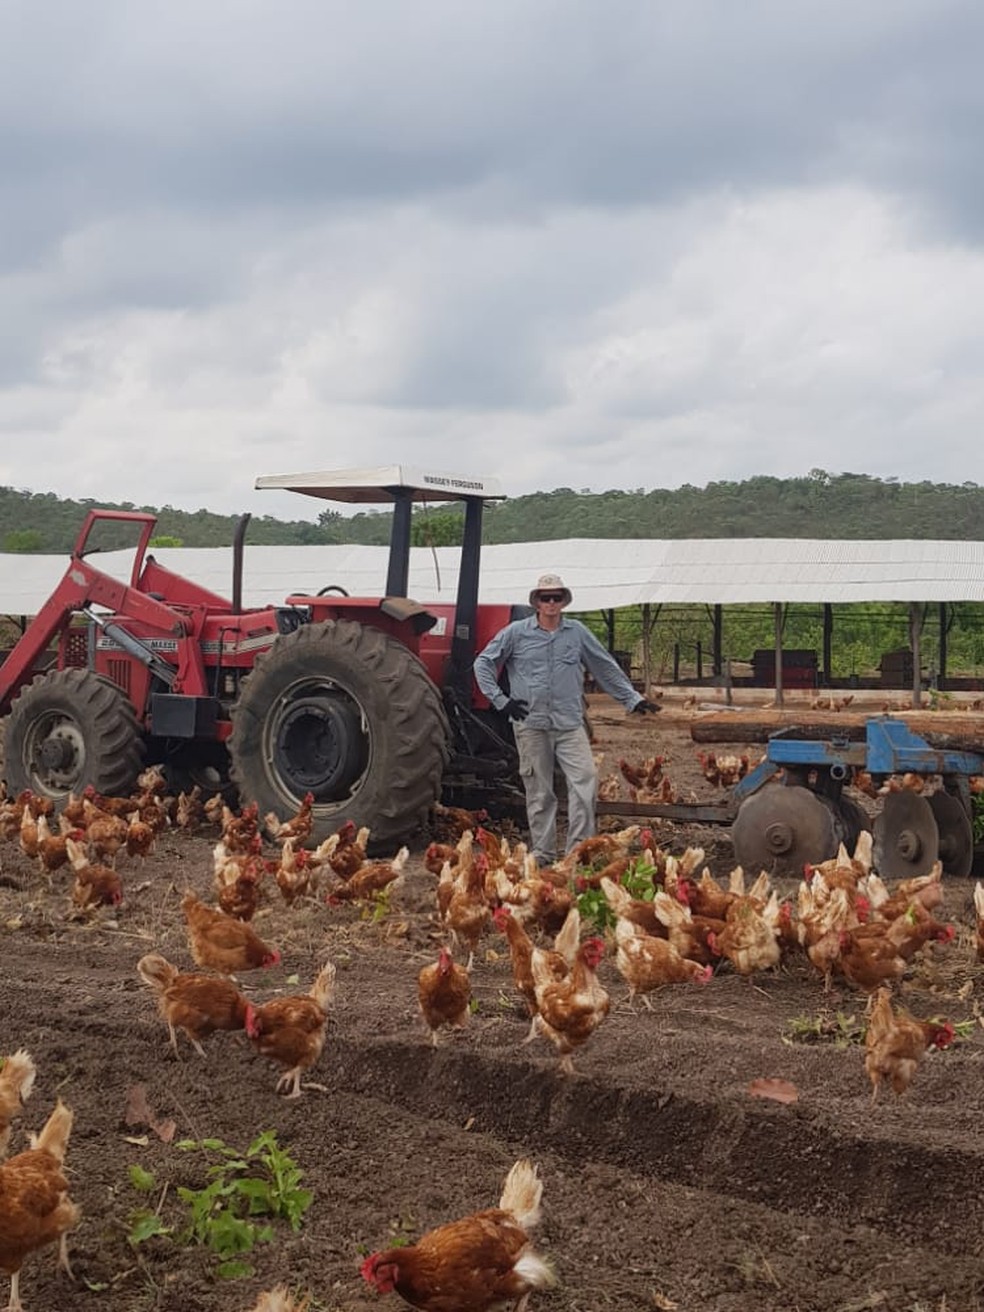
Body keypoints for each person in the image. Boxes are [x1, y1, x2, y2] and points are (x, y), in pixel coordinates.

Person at [472, 572, 660, 865]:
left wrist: (632, 699)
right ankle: (544, 856)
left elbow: (603, 665)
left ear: (563, 601)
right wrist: (501, 701)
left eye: (556, 597)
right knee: (539, 793)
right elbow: (483, 662)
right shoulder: (516, 633)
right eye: (545, 598)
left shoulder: (577, 633)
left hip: (570, 724)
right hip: (530, 725)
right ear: (536, 602)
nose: (550, 603)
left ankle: (578, 854)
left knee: (585, 781)